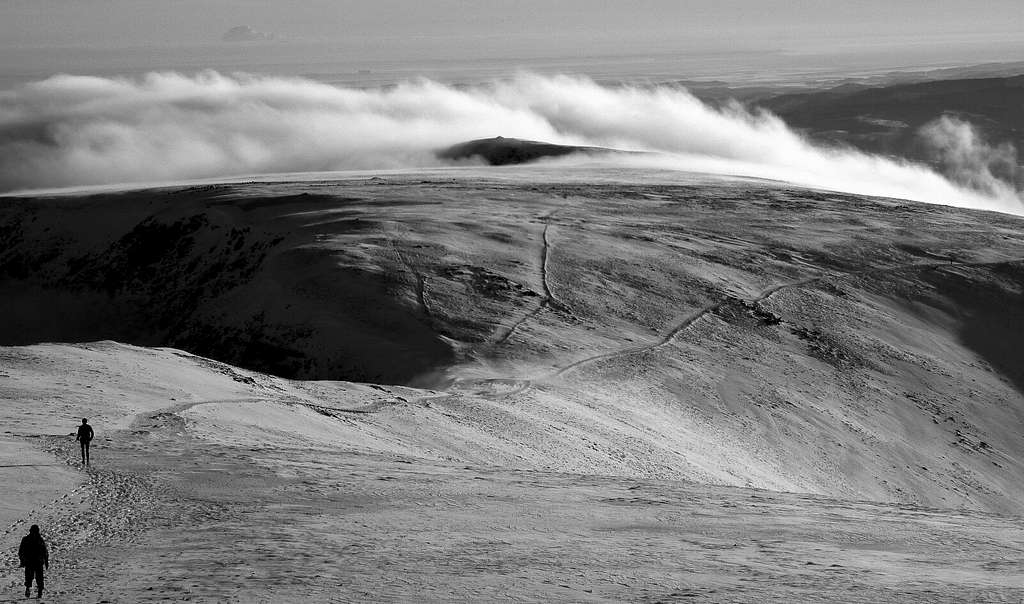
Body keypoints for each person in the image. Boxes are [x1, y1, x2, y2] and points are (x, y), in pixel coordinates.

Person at [18, 524, 48, 599]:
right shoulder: (28, 539)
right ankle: (30, 589)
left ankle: (38, 591)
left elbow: (44, 551)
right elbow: (21, 551)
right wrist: (23, 560)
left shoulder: (38, 539)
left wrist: (46, 561)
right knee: (30, 577)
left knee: (38, 578)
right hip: (31, 562)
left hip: (36, 562)